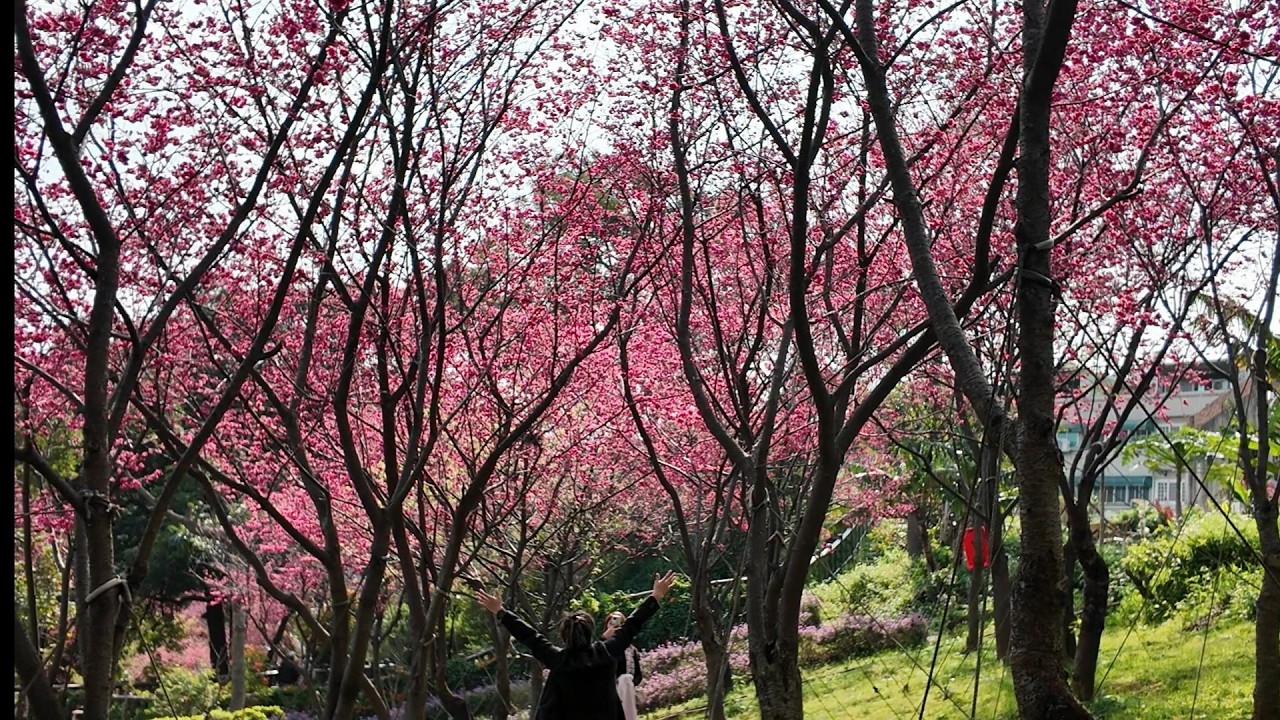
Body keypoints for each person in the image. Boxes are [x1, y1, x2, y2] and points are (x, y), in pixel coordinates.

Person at [476, 571, 677, 720]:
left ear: (564, 635)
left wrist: (500, 611)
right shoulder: (606, 652)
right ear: (590, 631)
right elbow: (632, 624)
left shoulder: (557, 659)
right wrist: (656, 595)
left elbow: (530, 636)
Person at [602, 610, 643, 720]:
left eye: (619, 624)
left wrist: (629, 683)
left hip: (627, 690)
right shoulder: (601, 649)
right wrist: (604, 638)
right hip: (609, 693)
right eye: (611, 623)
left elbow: (638, 675)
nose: (614, 626)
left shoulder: (631, 650)